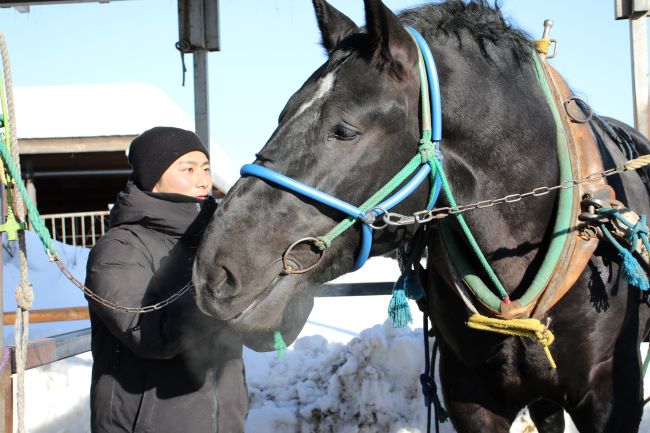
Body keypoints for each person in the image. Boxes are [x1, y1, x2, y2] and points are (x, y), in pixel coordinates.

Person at [85, 126, 247, 433]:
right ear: (153, 179)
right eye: (188, 169)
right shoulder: (120, 248)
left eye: (206, 168)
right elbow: (148, 335)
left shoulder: (215, 243)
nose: (203, 180)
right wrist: (221, 280)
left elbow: (267, 338)